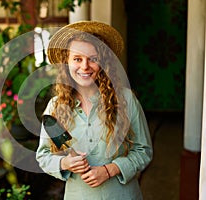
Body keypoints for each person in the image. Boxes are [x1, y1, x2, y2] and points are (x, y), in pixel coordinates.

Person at [36, 21, 153, 200]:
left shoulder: (126, 100)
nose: (85, 66)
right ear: (66, 62)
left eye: (93, 58)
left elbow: (143, 150)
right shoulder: (55, 107)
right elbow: (43, 156)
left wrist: (110, 170)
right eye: (77, 59)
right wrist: (65, 162)